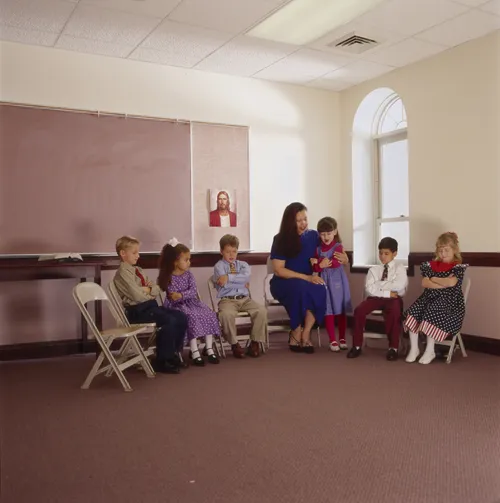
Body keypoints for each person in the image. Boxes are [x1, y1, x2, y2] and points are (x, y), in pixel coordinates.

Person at [270, 202, 349, 353]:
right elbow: (279, 270)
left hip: (306, 281)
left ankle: (306, 333)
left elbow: (329, 244)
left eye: (305, 219)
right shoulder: (280, 239)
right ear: (290, 222)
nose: (304, 223)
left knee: (319, 288)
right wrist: (306, 277)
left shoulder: (313, 236)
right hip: (283, 282)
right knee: (300, 287)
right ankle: (296, 330)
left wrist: (345, 258)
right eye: (299, 220)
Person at [113, 235, 187, 374]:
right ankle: (163, 360)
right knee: (169, 320)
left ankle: (174, 355)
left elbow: (157, 288)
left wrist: (148, 290)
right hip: (137, 311)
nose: (138, 255)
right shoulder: (123, 273)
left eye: (138, 252)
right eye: (134, 253)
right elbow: (136, 296)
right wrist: (147, 290)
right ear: (123, 253)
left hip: (149, 307)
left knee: (180, 316)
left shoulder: (138, 270)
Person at [403, 232, 468, 365]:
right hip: (428, 298)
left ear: (454, 250)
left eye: (446, 250)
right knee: (413, 311)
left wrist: (434, 278)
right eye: (441, 250)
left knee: (431, 311)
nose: (443, 253)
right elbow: (425, 283)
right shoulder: (430, 265)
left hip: (449, 302)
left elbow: (451, 283)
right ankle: (414, 348)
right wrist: (441, 282)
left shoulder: (457, 267)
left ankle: (430, 350)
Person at [158, 239, 221, 366]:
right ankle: (194, 350)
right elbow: (172, 296)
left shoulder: (189, 275)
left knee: (208, 313)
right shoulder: (168, 277)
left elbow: (193, 291)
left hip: (192, 302)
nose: (189, 262)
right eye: (185, 259)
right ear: (175, 262)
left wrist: (181, 295)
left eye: (189, 259)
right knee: (191, 317)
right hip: (176, 306)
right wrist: (179, 296)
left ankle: (209, 348)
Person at [347, 237, 408, 361]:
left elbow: (399, 286)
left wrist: (379, 285)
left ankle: (393, 348)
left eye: (386, 254)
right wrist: (387, 291)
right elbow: (369, 289)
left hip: (394, 299)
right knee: (359, 310)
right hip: (376, 298)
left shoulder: (399, 268)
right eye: (380, 253)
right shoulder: (374, 270)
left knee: (394, 311)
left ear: (394, 253)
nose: (383, 257)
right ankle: (357, 345)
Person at [213, 234, 268, 358]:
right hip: (227, 300)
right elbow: (225, 285)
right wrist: (240, 281)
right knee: (226, 315)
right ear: (221, 252)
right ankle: (234, 344)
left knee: (261, 310)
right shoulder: (219, 266)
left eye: (234, 251)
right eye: (228, 252)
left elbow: (246, 277)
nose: (231, 255)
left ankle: (254, 343)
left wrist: (229, 278)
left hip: (245, 299)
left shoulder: (243, 265)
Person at [310, 217, 352, 352]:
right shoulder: (317, 249)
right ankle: (332, 339)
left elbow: (335, 262)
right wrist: (319, 265)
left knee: (340, 309)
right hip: (324, 283)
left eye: (328, 233)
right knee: (328, 309)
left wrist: (321, 263)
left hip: (338, 282)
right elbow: (315, 269)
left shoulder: (338, 246)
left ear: (334, 232)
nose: (325, 237)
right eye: (322, 234)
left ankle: (342, 338)